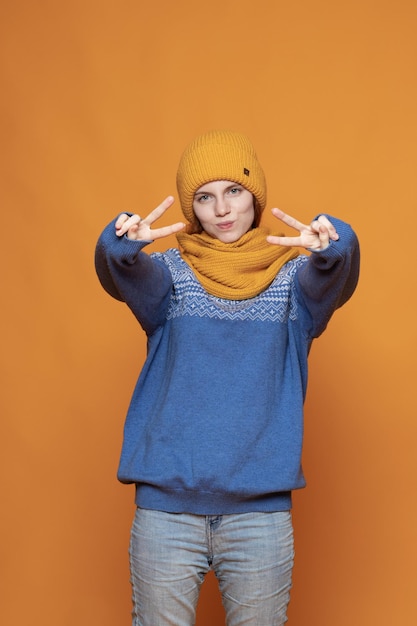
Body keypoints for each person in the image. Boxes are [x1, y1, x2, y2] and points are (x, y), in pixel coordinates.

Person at [95, 129, 360, 625]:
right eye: (204, 197)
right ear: (190, 208)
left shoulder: (291, 285)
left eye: (234, 191)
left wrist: (334, 245)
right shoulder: (170, 276)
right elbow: (125, 273)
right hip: (166, 516)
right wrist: (119, 246)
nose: (222, 210)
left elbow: (332, 273)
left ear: (255, 195)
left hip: (259, 519)